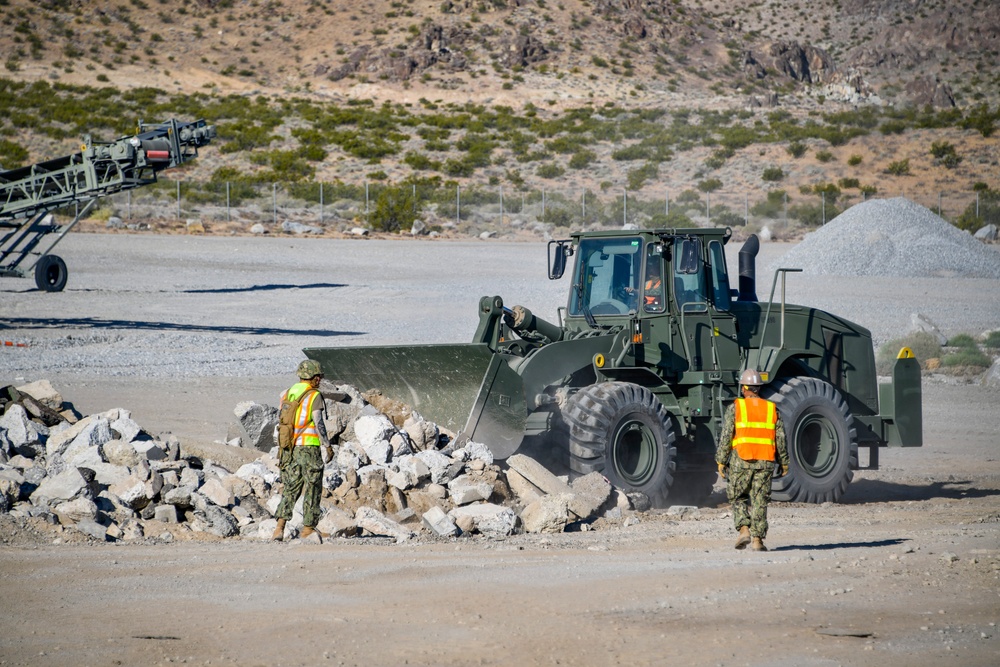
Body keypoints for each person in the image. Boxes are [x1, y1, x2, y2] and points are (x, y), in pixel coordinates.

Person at [715, 369, 789, 552]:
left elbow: (726, 436)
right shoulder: (771, 408)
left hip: (742, 459)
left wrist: (721, 460)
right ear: (758, 388)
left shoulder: (736, 407)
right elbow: (780, 437)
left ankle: (744, 529)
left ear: (745, 388)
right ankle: (757, 541)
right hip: (765, 461)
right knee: (759, 500)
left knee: (738, 496)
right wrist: (784, 461)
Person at [272, 359, 334, 542]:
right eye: (319, 376)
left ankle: (279, 528)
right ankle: (308, 529)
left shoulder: (288, 393)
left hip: (289, 447)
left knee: (291, 487)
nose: (320, 380)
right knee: (313, 486)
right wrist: (327, 445)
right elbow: (318, 421)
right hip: (309, 447)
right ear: (314, 377)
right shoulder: (314, 395)